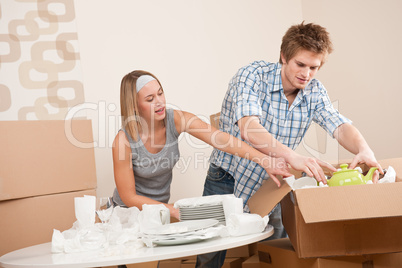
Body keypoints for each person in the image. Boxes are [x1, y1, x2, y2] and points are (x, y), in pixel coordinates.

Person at [195, 22, 384, 268]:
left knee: (278, 252)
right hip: (228, 176)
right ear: (283, 56)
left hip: (273, 181)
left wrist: (363, 149)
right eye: (300, 64)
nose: (306, 74)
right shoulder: (251, 76)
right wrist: (294, 158)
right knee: (211, 249)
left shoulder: (314, 92)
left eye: (314, 67)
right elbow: (249, 128)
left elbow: (339, 125)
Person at [111, 70, 292, 220]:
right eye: (150, 99)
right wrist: (171, 209)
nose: (159, 102)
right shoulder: (123, 141)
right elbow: (129, 197)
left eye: (160, 93)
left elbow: (220, 139)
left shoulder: (175, 119)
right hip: (127, 214)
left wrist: (263, 159)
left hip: (159, 213)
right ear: (134, 106)